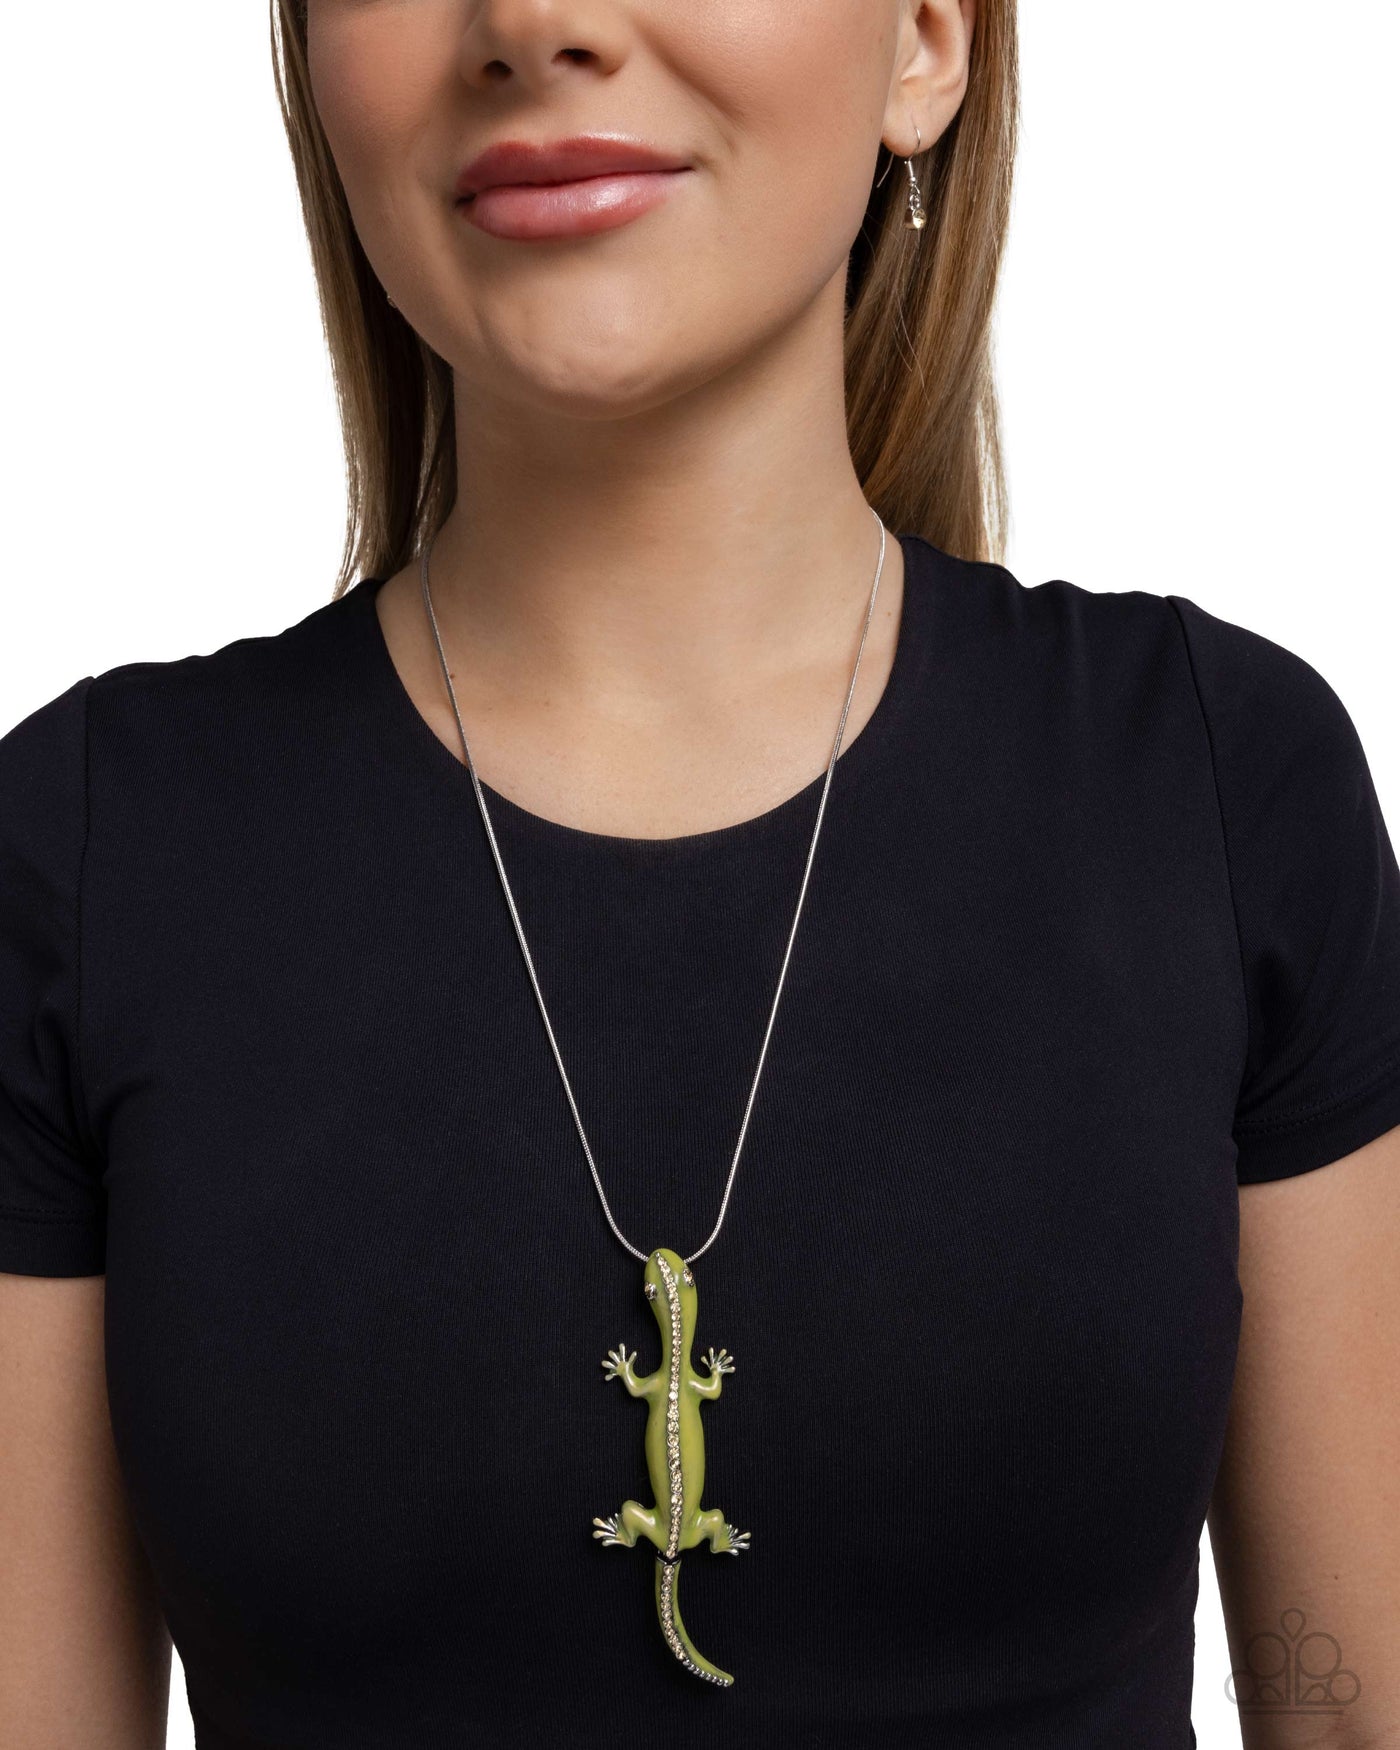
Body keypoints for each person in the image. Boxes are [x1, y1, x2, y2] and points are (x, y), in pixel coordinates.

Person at [2, 1, 1397, 1743]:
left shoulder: (1217, 780)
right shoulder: (83, 853)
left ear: (926, 42)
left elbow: (1348, 1702)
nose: (535, 21)